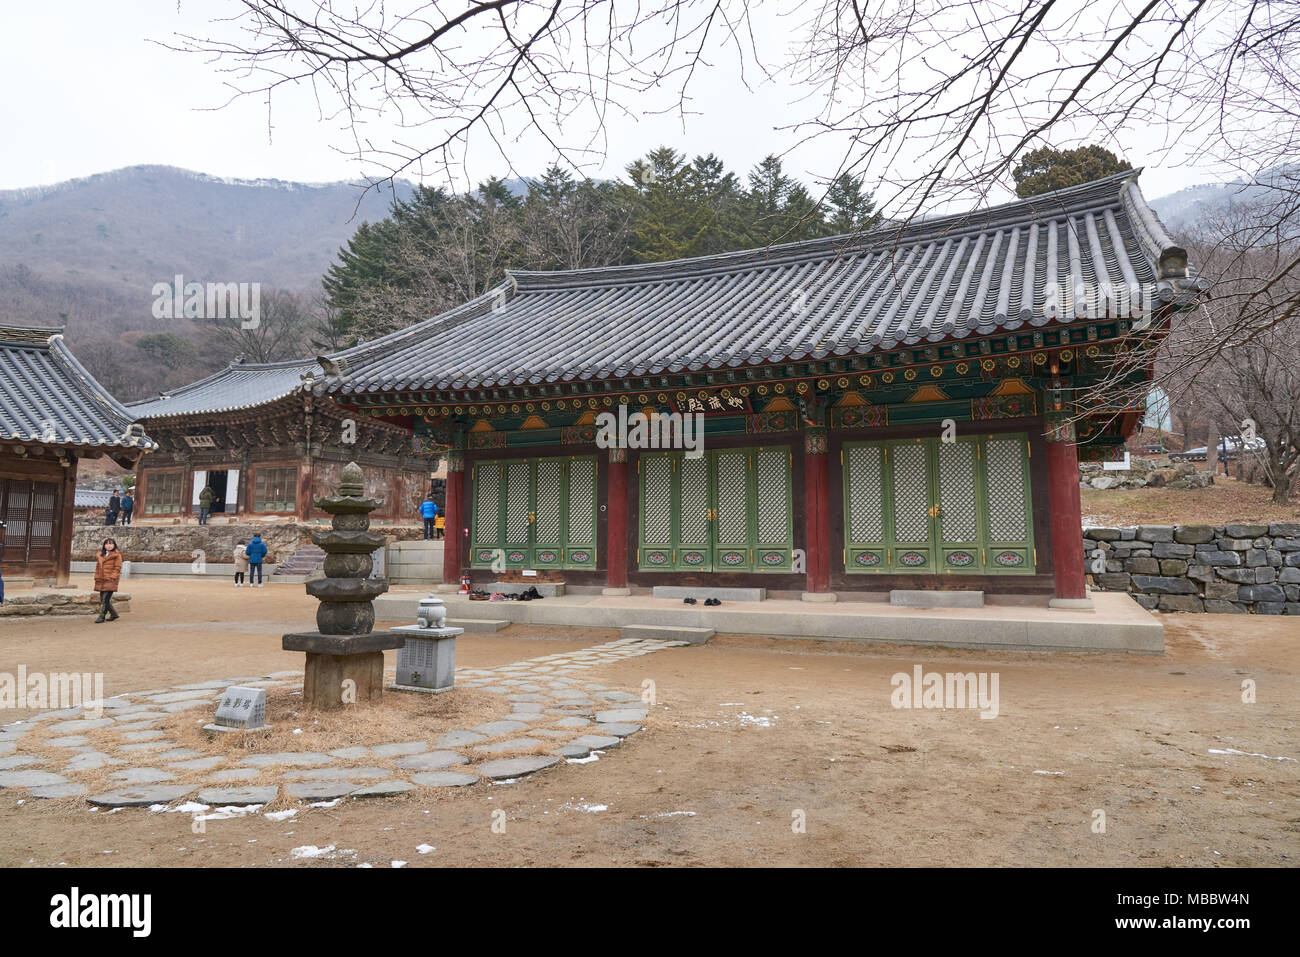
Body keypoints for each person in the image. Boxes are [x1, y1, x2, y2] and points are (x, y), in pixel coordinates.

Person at [94, 538, 122, 623]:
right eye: (107, 544)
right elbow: (97, 567)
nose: (109, 546)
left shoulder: (117, 555)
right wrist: (96, 576)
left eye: (111, 544)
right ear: (104, 545)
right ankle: (114, 614)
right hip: (101, 579)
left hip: (110, 580)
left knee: (105, 599)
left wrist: (112, 577)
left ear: (114, 545)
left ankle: (101, 616)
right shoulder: (101, 555)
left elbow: (117, 568)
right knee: (102, 599)